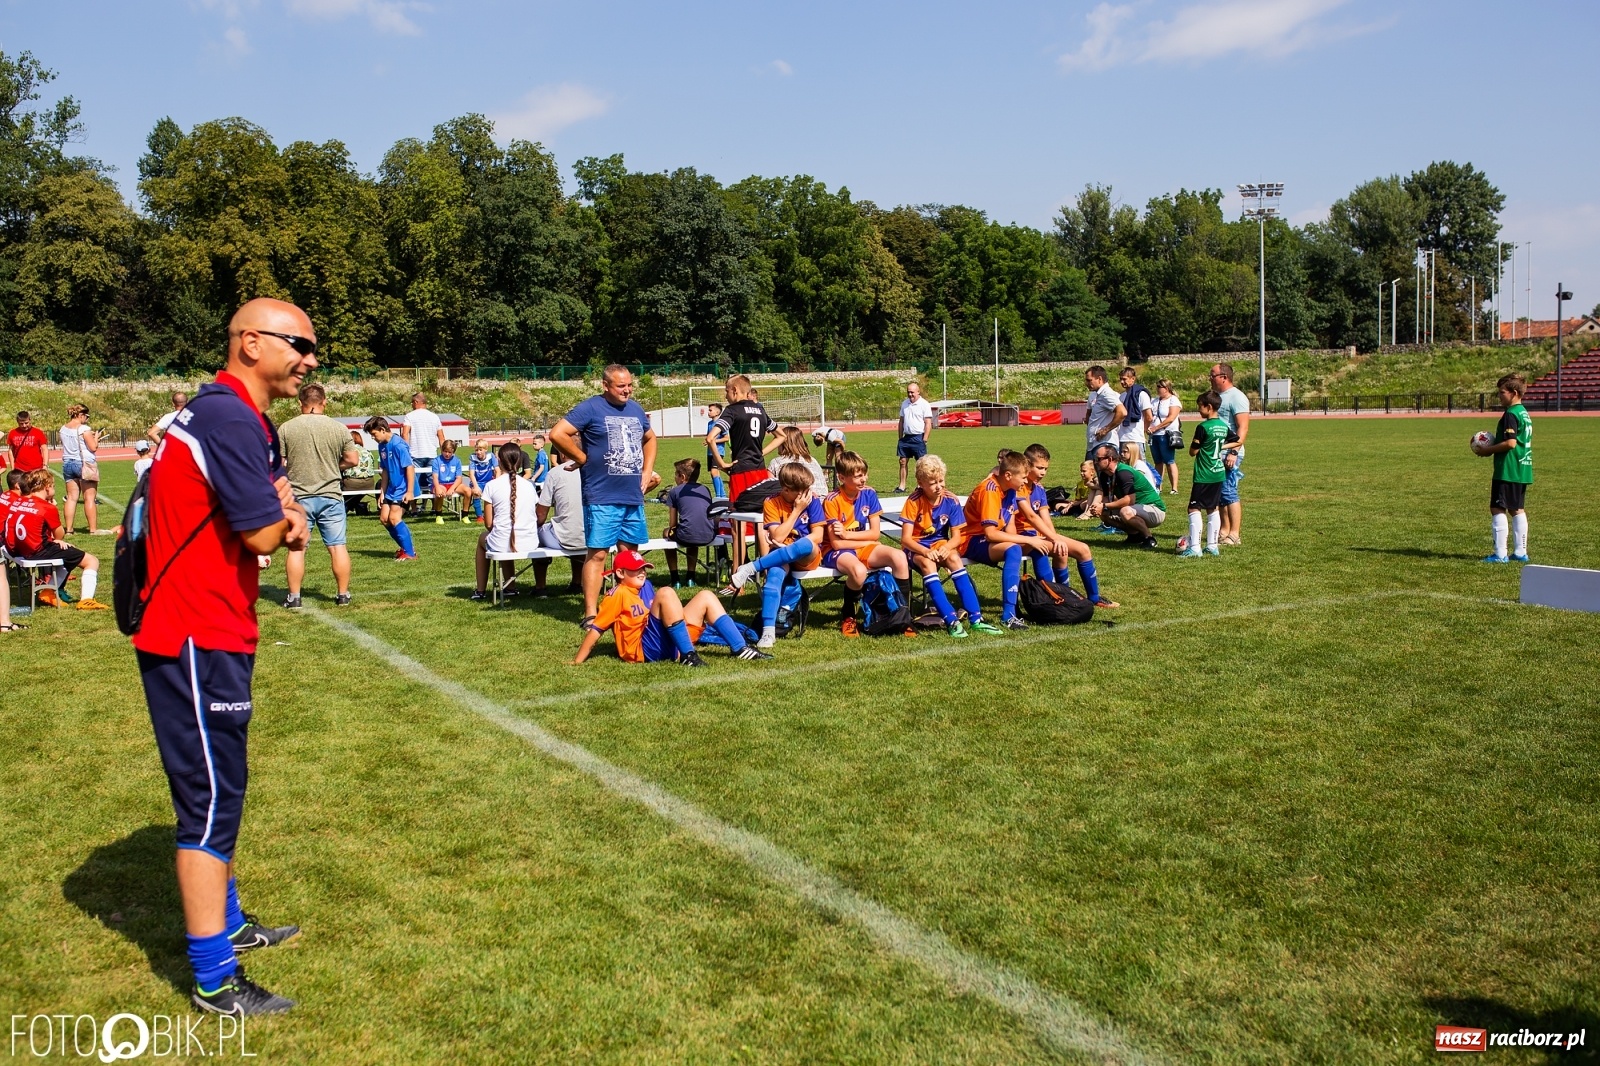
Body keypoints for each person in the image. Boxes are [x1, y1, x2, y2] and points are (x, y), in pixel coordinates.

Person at [132, 297, 313, 1016]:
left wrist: (281, 510)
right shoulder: (230, 416)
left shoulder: (224, 413)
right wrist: (288, 516)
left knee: (223, 790)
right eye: (297, 342)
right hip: (195, 633)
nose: (309, 357)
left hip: (206, 627)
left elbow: (266, 509)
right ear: (248, 343)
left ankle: (231, 924)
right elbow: (268, 533)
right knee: (208, 806)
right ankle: (214, 978)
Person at [549, 364, 659, 628]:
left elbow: (650, 438)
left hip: (632, 495)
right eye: (621, 386)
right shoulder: (590, 407)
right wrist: (582, 458)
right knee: (597, 554)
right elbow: (557, 433)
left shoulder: (635, 409)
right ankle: (590, 613)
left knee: (629, 554)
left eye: (630, 385)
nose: (627, 390)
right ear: (606, 385)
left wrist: (647, 471)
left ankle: (627, 606)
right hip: (601, 495)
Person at [573, 549, 770, 666]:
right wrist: (577, 661)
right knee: (666, 592)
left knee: (706, 596)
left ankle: (740, 648)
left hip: (662, 641)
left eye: (643, 568)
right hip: (643, 650)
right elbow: (596, 630)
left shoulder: (645, 587)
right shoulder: (616, 595)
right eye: (636, 570)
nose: (642, 572)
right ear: (620, 573)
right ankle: (688, 655)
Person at [723, 462, 826, 648]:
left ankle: (751, 567)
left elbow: (818, 536)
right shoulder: (771, 502)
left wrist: (798, 512)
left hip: (807, 555)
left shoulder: (813, 500)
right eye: (802, 490)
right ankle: (768, 632)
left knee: (804, 544)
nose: (806, 493)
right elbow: (777, 536)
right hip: (779, 553)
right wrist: (796, 511)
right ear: (786, 489)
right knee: (774, 577)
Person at [280, 383, 360, 608]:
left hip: (298, 497)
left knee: (297, 549)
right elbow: (353, 459)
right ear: (324, 401)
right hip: (331, 495)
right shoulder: (338, 428)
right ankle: (343, 594)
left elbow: (278, 464)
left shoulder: (286, 428)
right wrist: (336, 467)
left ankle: (294, 597)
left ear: (300, 403)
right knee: (337, 546)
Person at [821, 451, 914, 637]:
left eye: (864, 474)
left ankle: (904, 617)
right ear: (841, 477)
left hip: (859, 544)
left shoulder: (869, 493)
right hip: (835, 550)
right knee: (859, 571)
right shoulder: (831, 500)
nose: (864, 479)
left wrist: (848, 534)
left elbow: (875, 532)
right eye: (858, 476)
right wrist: (867, 539)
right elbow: (837, 544)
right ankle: (848, 616)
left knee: (899, 557)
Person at [898, 455, 990, 638]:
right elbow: (906, 540)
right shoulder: (913, 501)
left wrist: (947, 547)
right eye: (932, 483)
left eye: (941, 481)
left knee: (954, 558)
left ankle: (976, 619)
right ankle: (951, 620)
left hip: (940, 542)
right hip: (916, 546)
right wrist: (925, 551)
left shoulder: (951, 500)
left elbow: (957, 537)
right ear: (920, 483)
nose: (938, 486)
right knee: (928, 564)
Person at [1015, 444, 1116, 607]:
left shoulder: (1039, 489)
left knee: (1083, 549)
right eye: (1039, 468)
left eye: (1046, 469)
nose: (1043, 473)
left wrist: (1054, 538)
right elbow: (1031, 517)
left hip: (1039, 535)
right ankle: (1061, 598)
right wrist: (1053, 539)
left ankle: (1094, 598)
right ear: (1027, 464)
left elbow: (1046, 519)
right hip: (1022, 538)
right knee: (1053, 550)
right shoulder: (1018, 486)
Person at [6, 467, 109, 610]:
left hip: (19, 549)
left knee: (68, 555)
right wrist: (56, 535)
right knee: (91, 561)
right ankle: (86, 600)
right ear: (47, 487)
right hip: (36, 551)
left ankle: (49, 591)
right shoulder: (46, 507)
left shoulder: (18, 501)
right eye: (53, 486)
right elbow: (59, 534)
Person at [960, 450, 1033, 630]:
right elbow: (991, 534)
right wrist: (1027, 541)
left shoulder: (1010, 490)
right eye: (1023, 477)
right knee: (1015, 549)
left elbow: (1009, 527)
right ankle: (1009, 615)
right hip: (970, 541)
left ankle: (1048, 603)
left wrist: (1031, 542)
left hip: (985, 539)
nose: (1026, 481)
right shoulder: (990, 489)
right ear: (1008, 475)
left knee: (1035, 548)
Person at [473, 444, 539, 600]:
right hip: (530, 542)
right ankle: (510, 587)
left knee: (484, 538)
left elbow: (488, 524)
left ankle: (480, 590)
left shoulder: (491, 485)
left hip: (503, 542)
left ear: (499, 460)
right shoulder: (530, 486)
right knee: (505, 536)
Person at [1479, 373, 1533, 563]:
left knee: (1497, 507)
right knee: (1517, 508)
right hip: (1522, 468)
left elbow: (1510, 443)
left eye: (1502, 392)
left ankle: (1500, 554)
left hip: (1508, 469)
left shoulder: (1511, 414)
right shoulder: (1523, 412)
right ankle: (1520, 552)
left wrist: (1488, 450)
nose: (1499, 396)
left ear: (1514, 393)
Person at [1178, 390, 1234, 558]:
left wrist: (1205, 447)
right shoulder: (1223, 426)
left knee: (1194, 508)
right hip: (1218, 473)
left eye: (1200, 407)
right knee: (1212, 507)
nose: (1198, 410)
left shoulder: (1203, 427)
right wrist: (1219, 448)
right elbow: (1237, 439)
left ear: (1208, 407)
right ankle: (1212, 546)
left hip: (1204, 473)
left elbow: (1192, 452)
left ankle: (1195, 548)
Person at [534, 440, 585, 594]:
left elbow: (541, 514)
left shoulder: (555, 473)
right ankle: (577, 582)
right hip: (592, 536)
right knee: (576, 526)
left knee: (536, 534)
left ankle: (540, 587)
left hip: (564, 538)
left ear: (563, 453)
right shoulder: (594, 471)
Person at [1091, 443, 1164, 549]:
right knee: (1104, 513)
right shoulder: (1104, 474)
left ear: (1110, 459)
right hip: (1136, 507)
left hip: (1153, 508)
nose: (1096, 462)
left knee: (1125, 511)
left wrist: (1105, 506)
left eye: (1099, 459)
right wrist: (1098, 507)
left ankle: (1149, 538)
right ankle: (1134, 535)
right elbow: (1107, 497)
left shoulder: (1123, 472)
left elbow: (1130, 500)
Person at [364, 416, 417, 561]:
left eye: (374, 434)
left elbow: (410, 468)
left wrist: (410, 491)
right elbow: (385, 471)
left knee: (394, 518)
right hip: (391, 488)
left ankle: (410, 553)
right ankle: (406, 548)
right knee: (384, 519)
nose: (373, 438)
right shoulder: (382, 446)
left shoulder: (399, 445)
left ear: (382, 430)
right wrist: (382, 492)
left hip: (403, 487)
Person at [1210, 363, 1251, 545]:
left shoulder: (1237, 397)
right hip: (1217, 453)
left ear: (1223, 377)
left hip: (1230, 453)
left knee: (1229, 492)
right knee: (1219, 494)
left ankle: (1235, 534)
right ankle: (1224, 530)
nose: (1210, 378)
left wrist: (1233, 451)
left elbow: (1242, 428)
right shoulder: (1217, 397)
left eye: (1212, 375)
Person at [664, 457, 716, 588]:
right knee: (693, 531)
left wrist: (669, 530)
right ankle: (691, 577)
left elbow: (673, 523)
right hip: (709, 534)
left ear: (682, 477)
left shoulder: (675, 491)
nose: (674, 477)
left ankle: (675, 579)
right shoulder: (705, 489)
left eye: (675, 474)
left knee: (667, 534)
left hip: (687, 535)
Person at [58, 403, 102, 535]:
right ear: (81, 415)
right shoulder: (84, 429)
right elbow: (93, 447)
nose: (87, 419)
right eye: (86, 416)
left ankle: (69, 529)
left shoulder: (63, 428)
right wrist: (96, 437)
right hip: (83, 463)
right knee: (89, 497)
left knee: (71, 498)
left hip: (67, 463)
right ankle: (93, 529)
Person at [401, 392, 444, 515]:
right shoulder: (435, 417)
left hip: (415, 454)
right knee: (434, 483)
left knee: (413, 483)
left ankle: (414, 510)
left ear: (416, 402)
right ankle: (435, 509)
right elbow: (441, 437)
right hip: (431, 454)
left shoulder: (409, 416)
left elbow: (405, 434)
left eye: (412, 402)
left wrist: (406, 452)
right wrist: (444, 455)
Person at [894, 382, 934, 493]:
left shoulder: (924, 404)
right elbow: (901, 421)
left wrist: (925, 439)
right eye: (908, 392)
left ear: (918, 392)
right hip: (906, 438)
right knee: (902, 461)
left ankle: (920, 486)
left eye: (912, 392)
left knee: (921, 464)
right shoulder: (904, 404)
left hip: (918, 438)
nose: (910, 394)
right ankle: (902, 486)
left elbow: (928, 423)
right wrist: (900, 437)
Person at [1149, 379, 1183, 495]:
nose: (1157, 389)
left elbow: (1171, 418)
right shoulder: (1154, 401)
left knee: (1169, 461)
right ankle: (1158, 486)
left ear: (1167, 388)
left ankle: (1174, 488)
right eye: (1157, 386)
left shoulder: (1173, 400)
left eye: (1160, 387)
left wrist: (1155, 427)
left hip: (1166, 434)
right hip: (1154, 435)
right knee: (1157, 461)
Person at [1083, 366, 1125, 460]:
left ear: (1099, 379)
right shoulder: (1099, 394)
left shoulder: (1107, 394)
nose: (1087, 383)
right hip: (1096, 444)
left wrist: (1106, 430)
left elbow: (1122, 412)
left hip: (1103, 445)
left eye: (1089, 380)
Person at [1117, 367, 1154, 469]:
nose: (1122, 381)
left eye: (1124, 379)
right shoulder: (1122, 396)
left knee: (1140, 467)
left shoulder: (1141, 395)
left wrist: (1144, 430)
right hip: (1122, 437)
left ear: (1133, 379)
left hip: (1136, 437)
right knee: (1124, 467)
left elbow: (1149, 417)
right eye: (1121, 379)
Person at [432, 439, 472, 522]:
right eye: (445, 451)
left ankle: (465, 515)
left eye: (449, 452)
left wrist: (452, 489)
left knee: (468, 491)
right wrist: (438, 488)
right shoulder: (436, 461)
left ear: (453, 451)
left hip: (453, 484)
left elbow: (459, 478)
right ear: (442, 450)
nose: (447, 454)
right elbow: (435, 477)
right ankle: (439, 515)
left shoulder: (457, 461)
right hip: (441, 484)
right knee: (440, 493)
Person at [468, 437, 498, 520]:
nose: (478, 452)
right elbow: (471, 474)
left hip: (489, 481)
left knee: (494, 494)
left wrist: (496, 483)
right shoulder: (472, 457)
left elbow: (497, 470)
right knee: (476, 493)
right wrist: (476, 486)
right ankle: (480, 516)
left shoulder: (491, 456)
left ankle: (491, 515)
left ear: (485, 449)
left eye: (480, 450)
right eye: (477, 450)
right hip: (477, 482)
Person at [704, 402, 728, 497]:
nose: (708, 412)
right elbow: (709, 437)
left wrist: (713, 441)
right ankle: (723, 494)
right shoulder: (709, 423)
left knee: (714, 472)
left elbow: (726, 438)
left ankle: (718, 495)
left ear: (717, 412)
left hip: (718, 451)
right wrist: (707, 441)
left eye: (710, 410)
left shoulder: (721, 423)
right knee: (714, 473)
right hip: (710, 452)